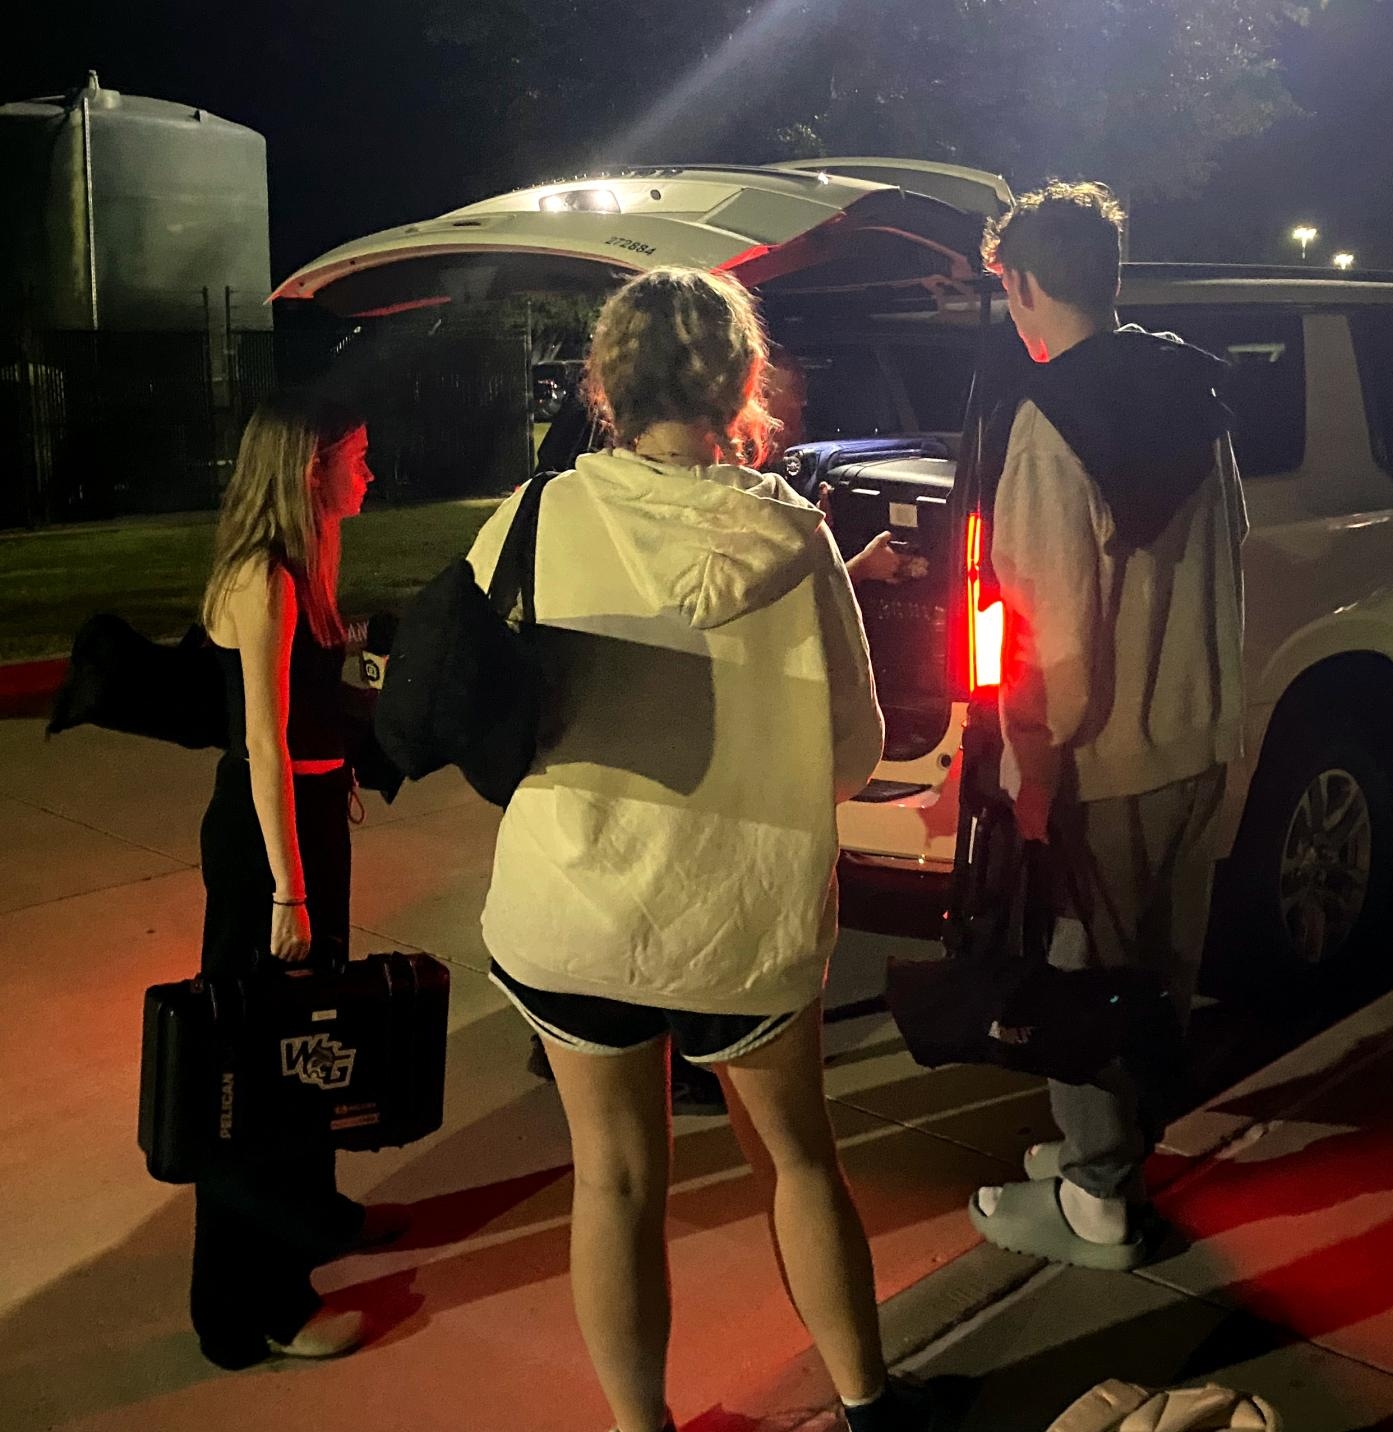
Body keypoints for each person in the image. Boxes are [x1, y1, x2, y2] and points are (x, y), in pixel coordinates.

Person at [468, 266, 924, 1432]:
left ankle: (641, 1426)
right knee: (799, 1161)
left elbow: (481, 704)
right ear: (741, 384)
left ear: (605, 386)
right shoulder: (792, 532)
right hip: (743, 917)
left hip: (568, 908)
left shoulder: (528, 520)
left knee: (614, 1180)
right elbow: (856, 750)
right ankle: (871, 1403)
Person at [966, 182, 1247, 1270]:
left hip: (1107, 758)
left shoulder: (1050, 424)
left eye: (1007, 291)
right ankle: (1117, 1149)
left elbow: (1054, 639)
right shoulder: (1198, 394)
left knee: (1083, 978)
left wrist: (1031, 766)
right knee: (1156, 973)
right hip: (1200, 735)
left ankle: (1095, 1199)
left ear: (1026, 282)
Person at [191, 392, 408, 1368]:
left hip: (310, 825)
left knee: (312, 1040)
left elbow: (315, 716)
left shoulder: (307, 569)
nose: (369, 472)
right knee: (261, 1063)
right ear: (308, 466)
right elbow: (262, 747)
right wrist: (290, 890)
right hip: (268, 840)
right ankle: (256, 1307)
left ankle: (311, 1218)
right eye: (356, 457)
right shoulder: (265, 578)